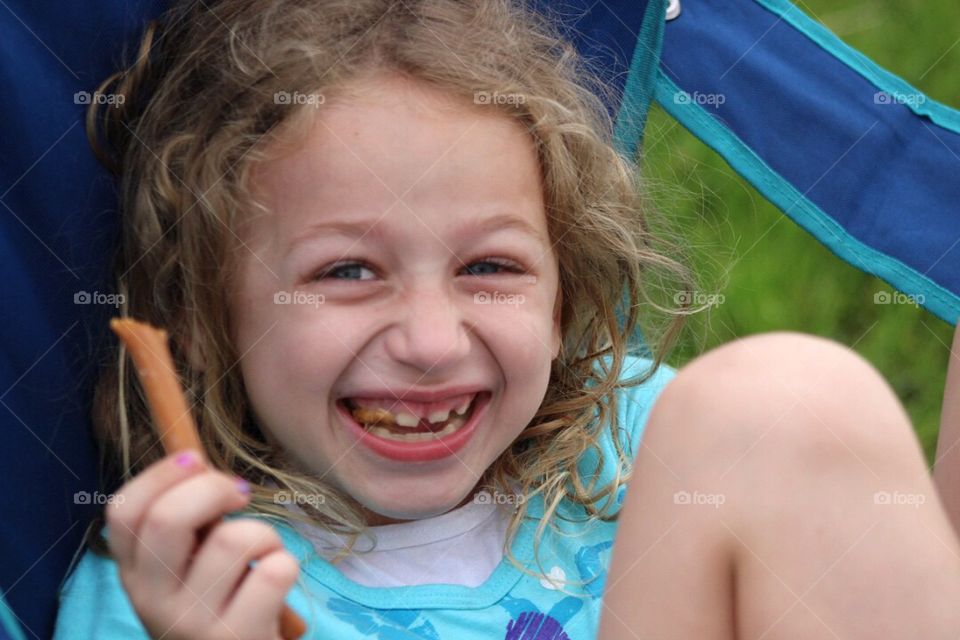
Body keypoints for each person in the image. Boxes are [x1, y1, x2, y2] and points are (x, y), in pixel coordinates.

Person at [54, 1, 960, 638]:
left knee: (788, 403)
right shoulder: (176, 587)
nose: (432, 341)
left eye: (490, 267)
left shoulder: (651, 443)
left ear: (565, 290)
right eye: (347, 271)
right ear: (207, 305)